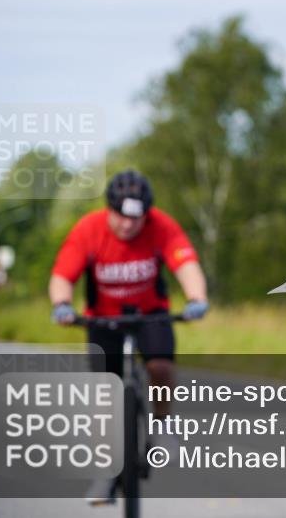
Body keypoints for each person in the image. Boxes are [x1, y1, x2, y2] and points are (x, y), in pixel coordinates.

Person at [49, 169, 209, 505]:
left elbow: (185, 263)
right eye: (120, 216)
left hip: (150, 314)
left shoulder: (161, 225)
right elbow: (63, 274)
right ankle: (105, 473)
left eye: (135, 219)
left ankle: (162, 426)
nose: (127, 225)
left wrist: (196, 298)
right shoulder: (89, 229)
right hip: (103, 319)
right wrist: (62, 304)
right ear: (109, 209)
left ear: (146, 214)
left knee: (160, 367)